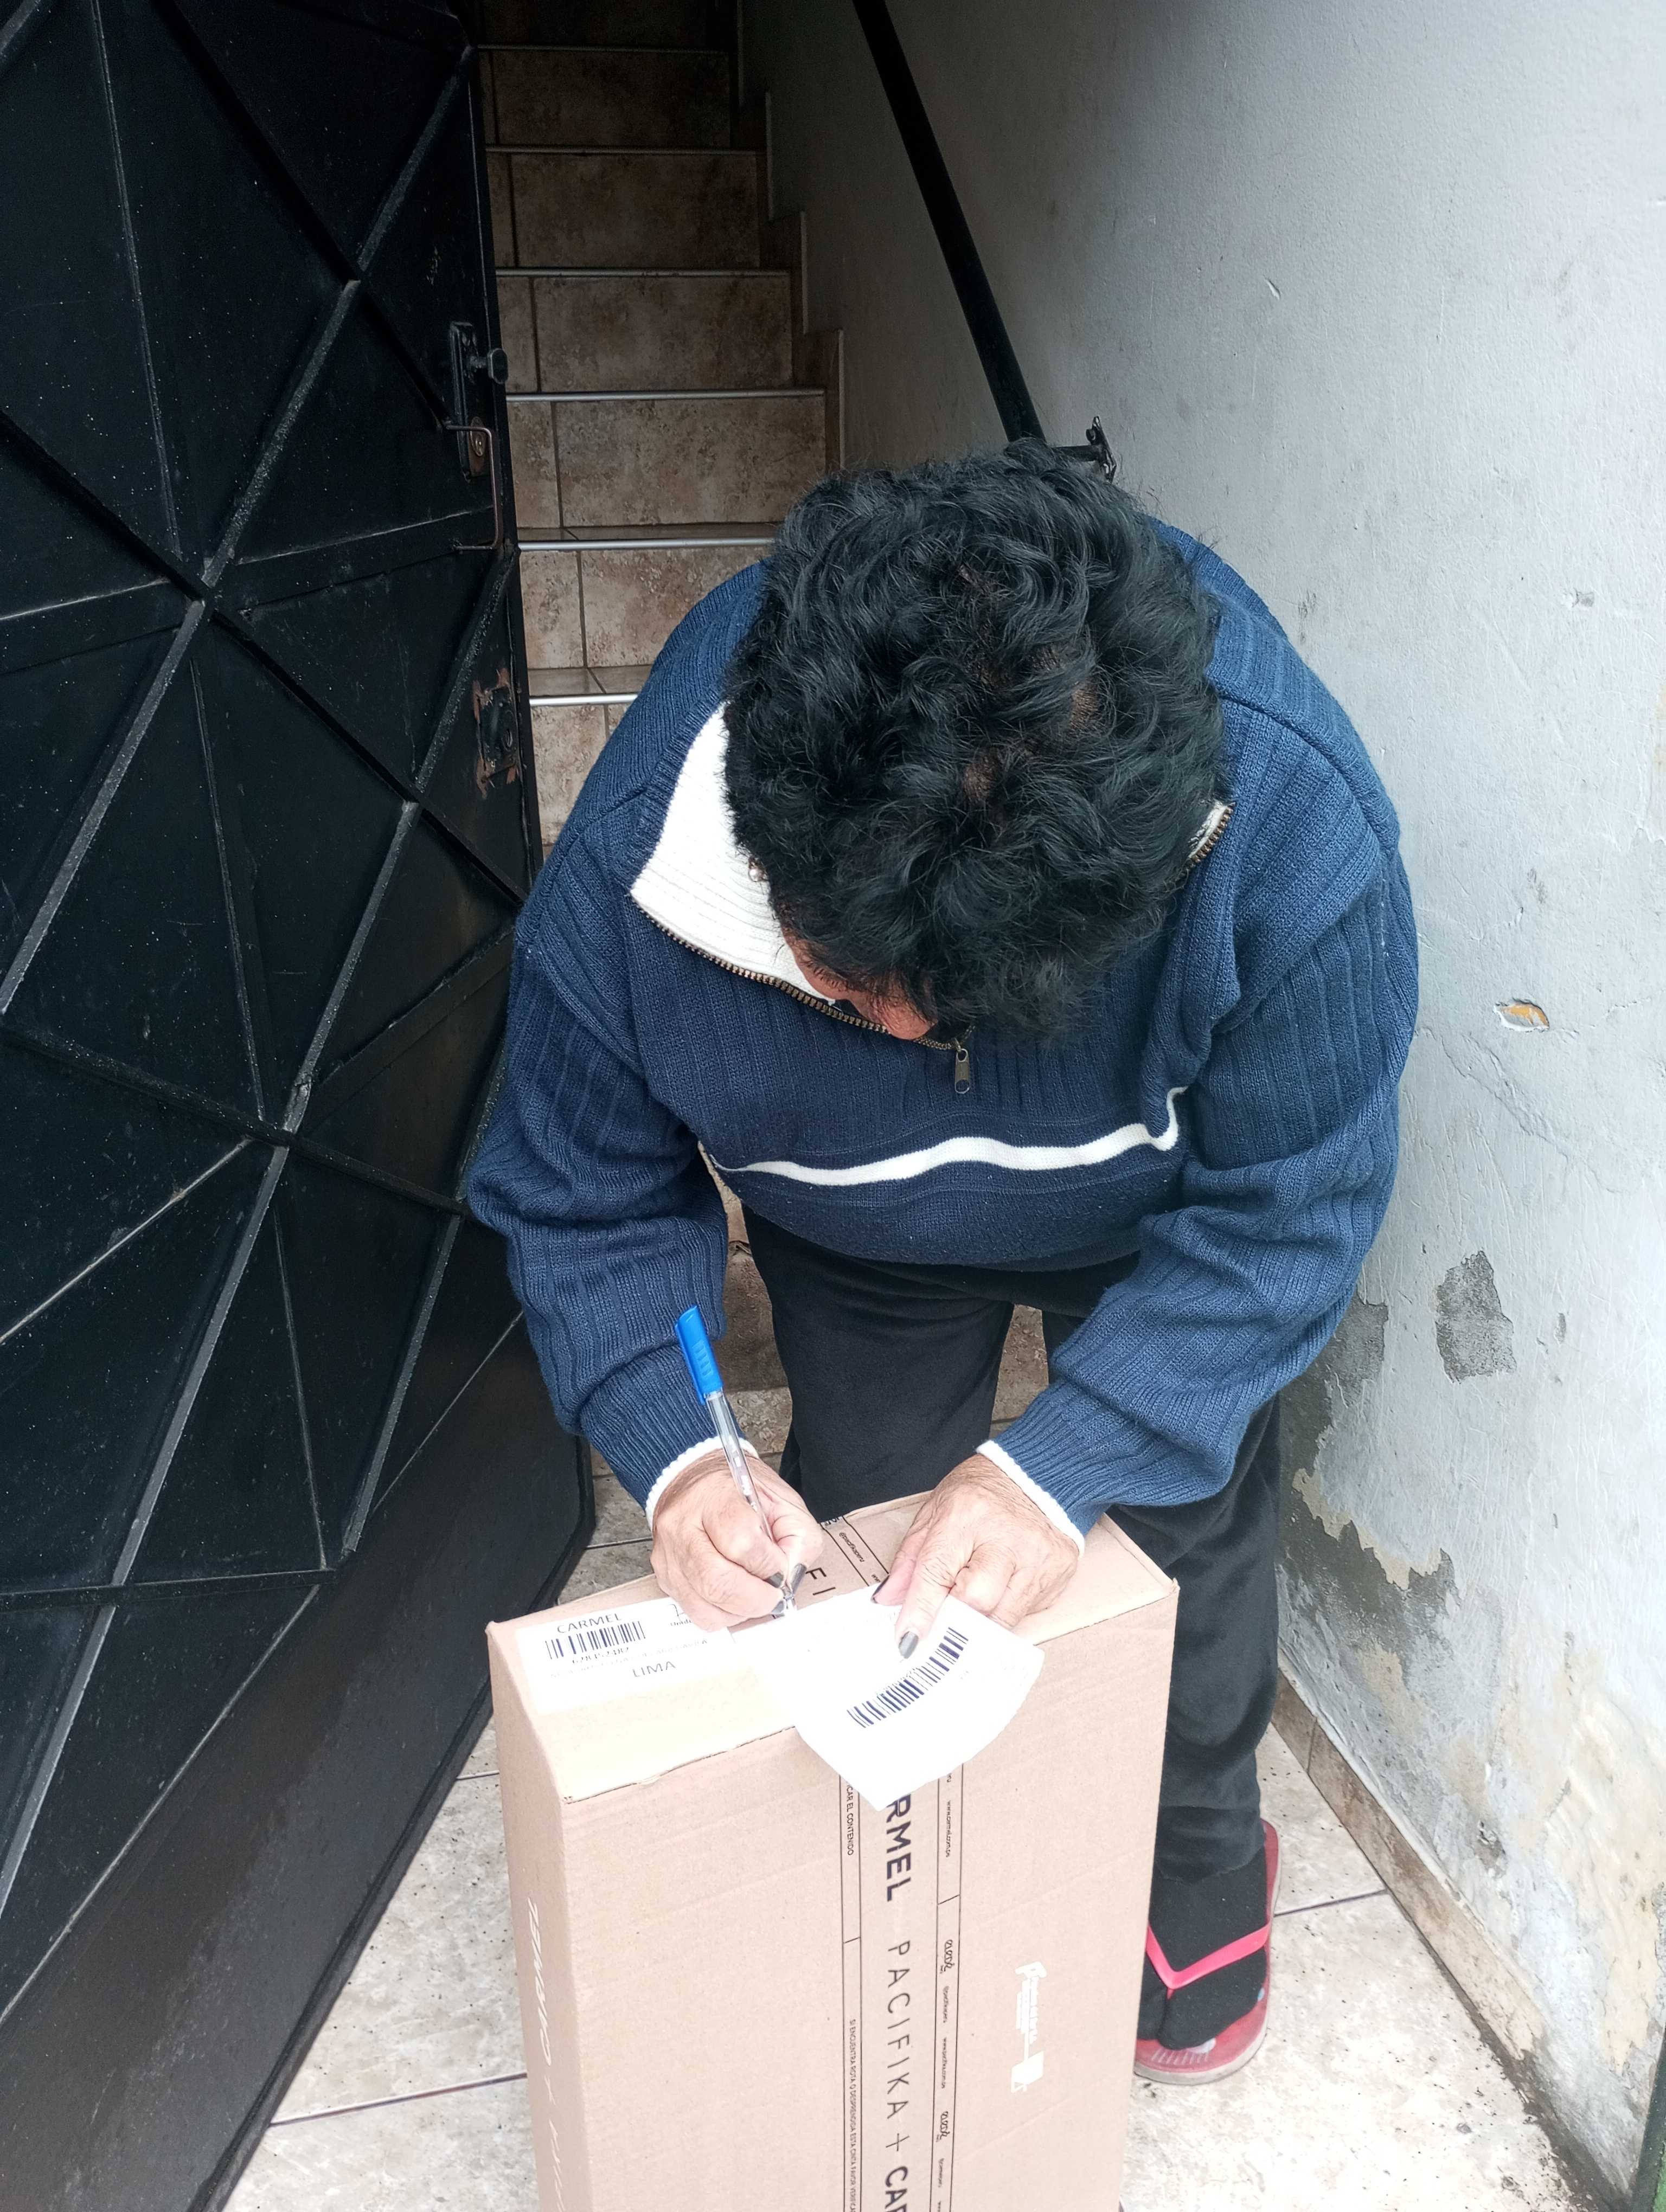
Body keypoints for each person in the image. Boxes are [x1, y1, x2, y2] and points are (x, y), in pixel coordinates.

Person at [471, 442, 1417, 2084]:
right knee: (872, 1543)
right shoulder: (634, 861)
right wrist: (678, 1459)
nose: (901, 1036)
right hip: (853, 1227)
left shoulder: (1292, 831)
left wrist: (1066, 1466)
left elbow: (1286, 1216)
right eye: (841, 988)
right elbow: (581, 1197)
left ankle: (1195, 1873)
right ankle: (911, 1898)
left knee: (1177, 1538)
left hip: (1158, 1221)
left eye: (958, 1003)